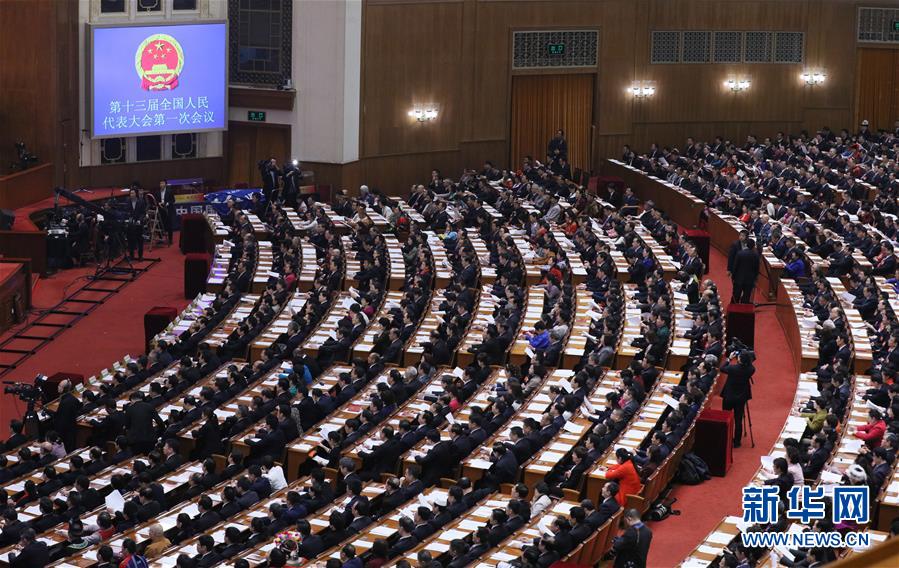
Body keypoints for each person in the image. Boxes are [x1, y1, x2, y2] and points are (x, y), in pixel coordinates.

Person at [720, 351, 755, 448]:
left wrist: (729, 359)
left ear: (739, 359)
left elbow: (722, 368)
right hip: (741, 397)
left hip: (729, 397)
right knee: (738, 419)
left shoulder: (732, 368)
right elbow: (750, 364)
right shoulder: (751, 369)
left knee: (726, 417)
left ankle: (725, 437)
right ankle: (737, 442)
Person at [53, 379, 82, 452]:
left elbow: (61, 421)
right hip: (73, 430)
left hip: (66, 434)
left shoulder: (65, 403)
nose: (58, 387)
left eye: (59, 386)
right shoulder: (74, 399)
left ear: (63, 389)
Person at [730, 238, 760, 304]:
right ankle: (744, 311)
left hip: (739, 279)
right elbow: (757, 269)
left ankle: (733, 311)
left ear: (746, 245)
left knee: (736, 296)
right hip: (750, 280)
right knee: (746, 297)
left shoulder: (740, 253)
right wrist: (755, 278)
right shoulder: (756, 255)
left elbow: (735, 266)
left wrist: (733, 276)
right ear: (753, 246)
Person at [125, 188, 146, 260]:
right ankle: (131, 256)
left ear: (136, 194)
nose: (131, 195)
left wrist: (140, 220)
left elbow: (143, 213)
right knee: (130, 239)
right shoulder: (128, 201)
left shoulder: (141, 201)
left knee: (140, 240)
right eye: (130, 193)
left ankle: (140, 256)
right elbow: (126, 211)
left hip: (138, 223)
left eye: (133, 193)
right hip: (131, 224)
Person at [157, 180, 176, 245]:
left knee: (169, 225)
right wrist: (158, 203)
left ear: (165, 184)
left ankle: (170, 240)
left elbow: (173, 200)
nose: (161, 184)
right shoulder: (158, 192)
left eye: (162, 183)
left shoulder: (169, 191)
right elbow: (156, 201)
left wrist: (167, 203)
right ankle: (160, 239)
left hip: (168, 210)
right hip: (160, 210)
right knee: (160, 224)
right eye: (160, 183)